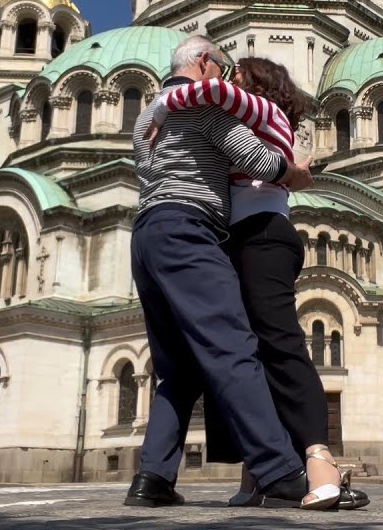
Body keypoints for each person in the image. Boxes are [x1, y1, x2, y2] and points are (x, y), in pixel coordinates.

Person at [146, 57, 369, 511]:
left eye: (236, 76)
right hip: (234, 238)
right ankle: (256, 475)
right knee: (242, 353)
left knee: (279, 343)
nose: (227, 79)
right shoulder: (245, 117)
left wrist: (163, 104)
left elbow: (213, 97)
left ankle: (320, 462)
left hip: (263, 235)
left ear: (257, 85)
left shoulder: (260, 110)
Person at [124, 36, 316, 510]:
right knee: (232, 346)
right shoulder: (205, 107)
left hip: (146, 233)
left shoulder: (148, 117)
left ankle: (153, 478)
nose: (228, 80)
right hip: (188, 229)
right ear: (205, 63)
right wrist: (295, 172)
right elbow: (259, 161)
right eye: (224, 70)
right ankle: (279, 470)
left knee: (177, 369)